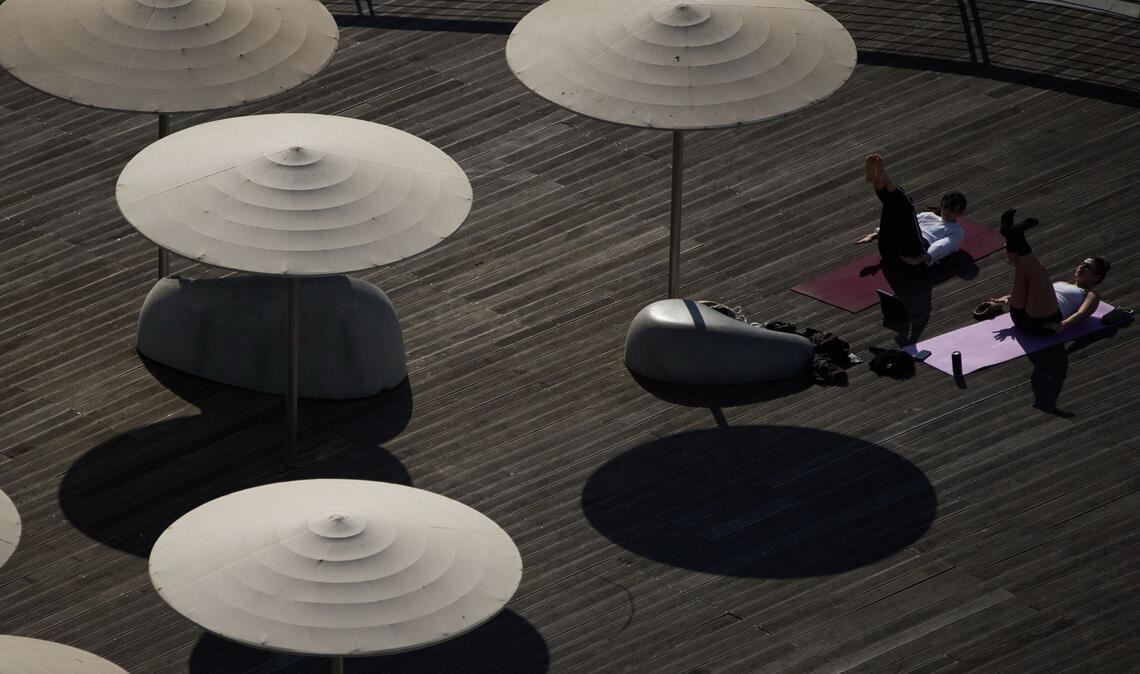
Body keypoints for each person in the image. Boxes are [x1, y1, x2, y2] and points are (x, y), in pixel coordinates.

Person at [987, 209, 1110, 335]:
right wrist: (1008, 298)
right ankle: (1010, 235)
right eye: (1082, 263)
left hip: (1044, 324)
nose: (1082, 267)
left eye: (1088, 267)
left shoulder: (1091, 294)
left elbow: (1082, 313)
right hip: (1020, 316)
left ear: (1096, 277)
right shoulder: (1064, 283)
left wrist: (1063, 324)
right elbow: (1034, 294)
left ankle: (1017, 236)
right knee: (1022, 268)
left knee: (1040, 273)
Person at [855, 154, 967, 268]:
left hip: (914, 251)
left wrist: (923, 257)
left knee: (907, 205)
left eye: (952, 211)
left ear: (960, 213)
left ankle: (881, 177)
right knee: (891, 205)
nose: (947, 212)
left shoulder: (957, 231)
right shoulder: (928, 216)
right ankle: (877, 179)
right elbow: (902, 223)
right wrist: (875, 235)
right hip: (890, 248)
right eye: (945, 207)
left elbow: (944, 245)